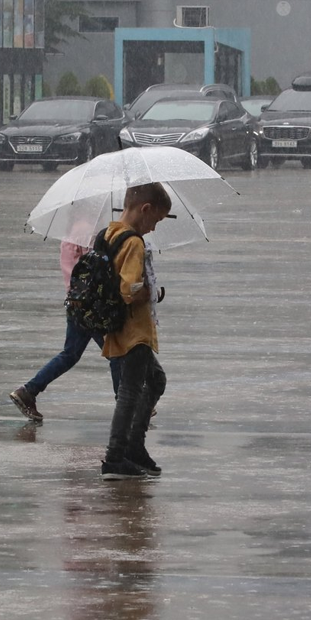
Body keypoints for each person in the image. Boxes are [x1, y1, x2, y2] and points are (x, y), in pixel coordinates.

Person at [100, 183, 171, 480]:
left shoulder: (108, 234)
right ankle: (117, 455)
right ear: (145, 209)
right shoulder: (134, 243)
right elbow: (129, 289)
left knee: (155, 379)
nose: (153, 228)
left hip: (118, 325)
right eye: (155, 220)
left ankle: (133, 447)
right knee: (130, 392)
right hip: (135, 328)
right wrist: (151, 292)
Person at [9, 240, 122, 423]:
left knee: (71, 353)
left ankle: (29, 390)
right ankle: (128, 404)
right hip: (93, 307)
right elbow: (99, 273)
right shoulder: (90, 235)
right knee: (116, 353)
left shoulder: (69, 238)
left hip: (76, 303)